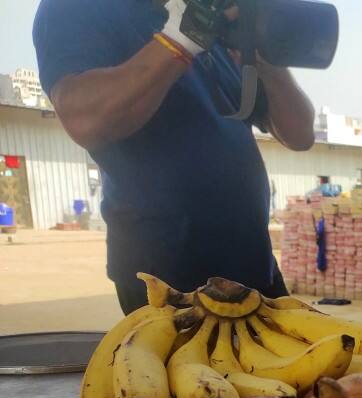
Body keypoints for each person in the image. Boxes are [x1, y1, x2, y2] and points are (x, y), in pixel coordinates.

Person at [33, 0, 316, 314]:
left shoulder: (214, 27)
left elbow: (300, 134)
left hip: (254, 264)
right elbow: (84, 117)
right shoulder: (78, 8)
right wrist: (180, 40)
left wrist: (266, 58)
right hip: (168, 280)